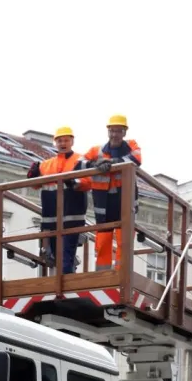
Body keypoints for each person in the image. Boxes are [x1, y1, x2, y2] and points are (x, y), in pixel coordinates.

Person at [27, 126, 91, 274]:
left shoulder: (80, 161)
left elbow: (88, 182)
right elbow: (35, 185)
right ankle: (62, 283)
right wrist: (32, 174)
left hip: (71, 216)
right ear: (55, 143)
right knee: (57, 255)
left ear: (72, 141)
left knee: (66, 253)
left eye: (66, 140)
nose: (63, 143)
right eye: (60, 140)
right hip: (52, 219)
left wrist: (74, 183)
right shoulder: (46, 164)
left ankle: (65, 283)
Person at [85, 115, 142, 271]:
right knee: (103, 235)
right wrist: (95, 164)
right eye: (112, 131)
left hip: (124, 198)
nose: (114, 134)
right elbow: (80, 163)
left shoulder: (131, 145)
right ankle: (102, 273)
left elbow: (136, 158)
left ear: (124, 132)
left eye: (118, 131)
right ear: (108, 132)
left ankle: (121, 271)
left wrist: (112, 163)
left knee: (124, 236)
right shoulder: (97, 150)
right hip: (103, 201)